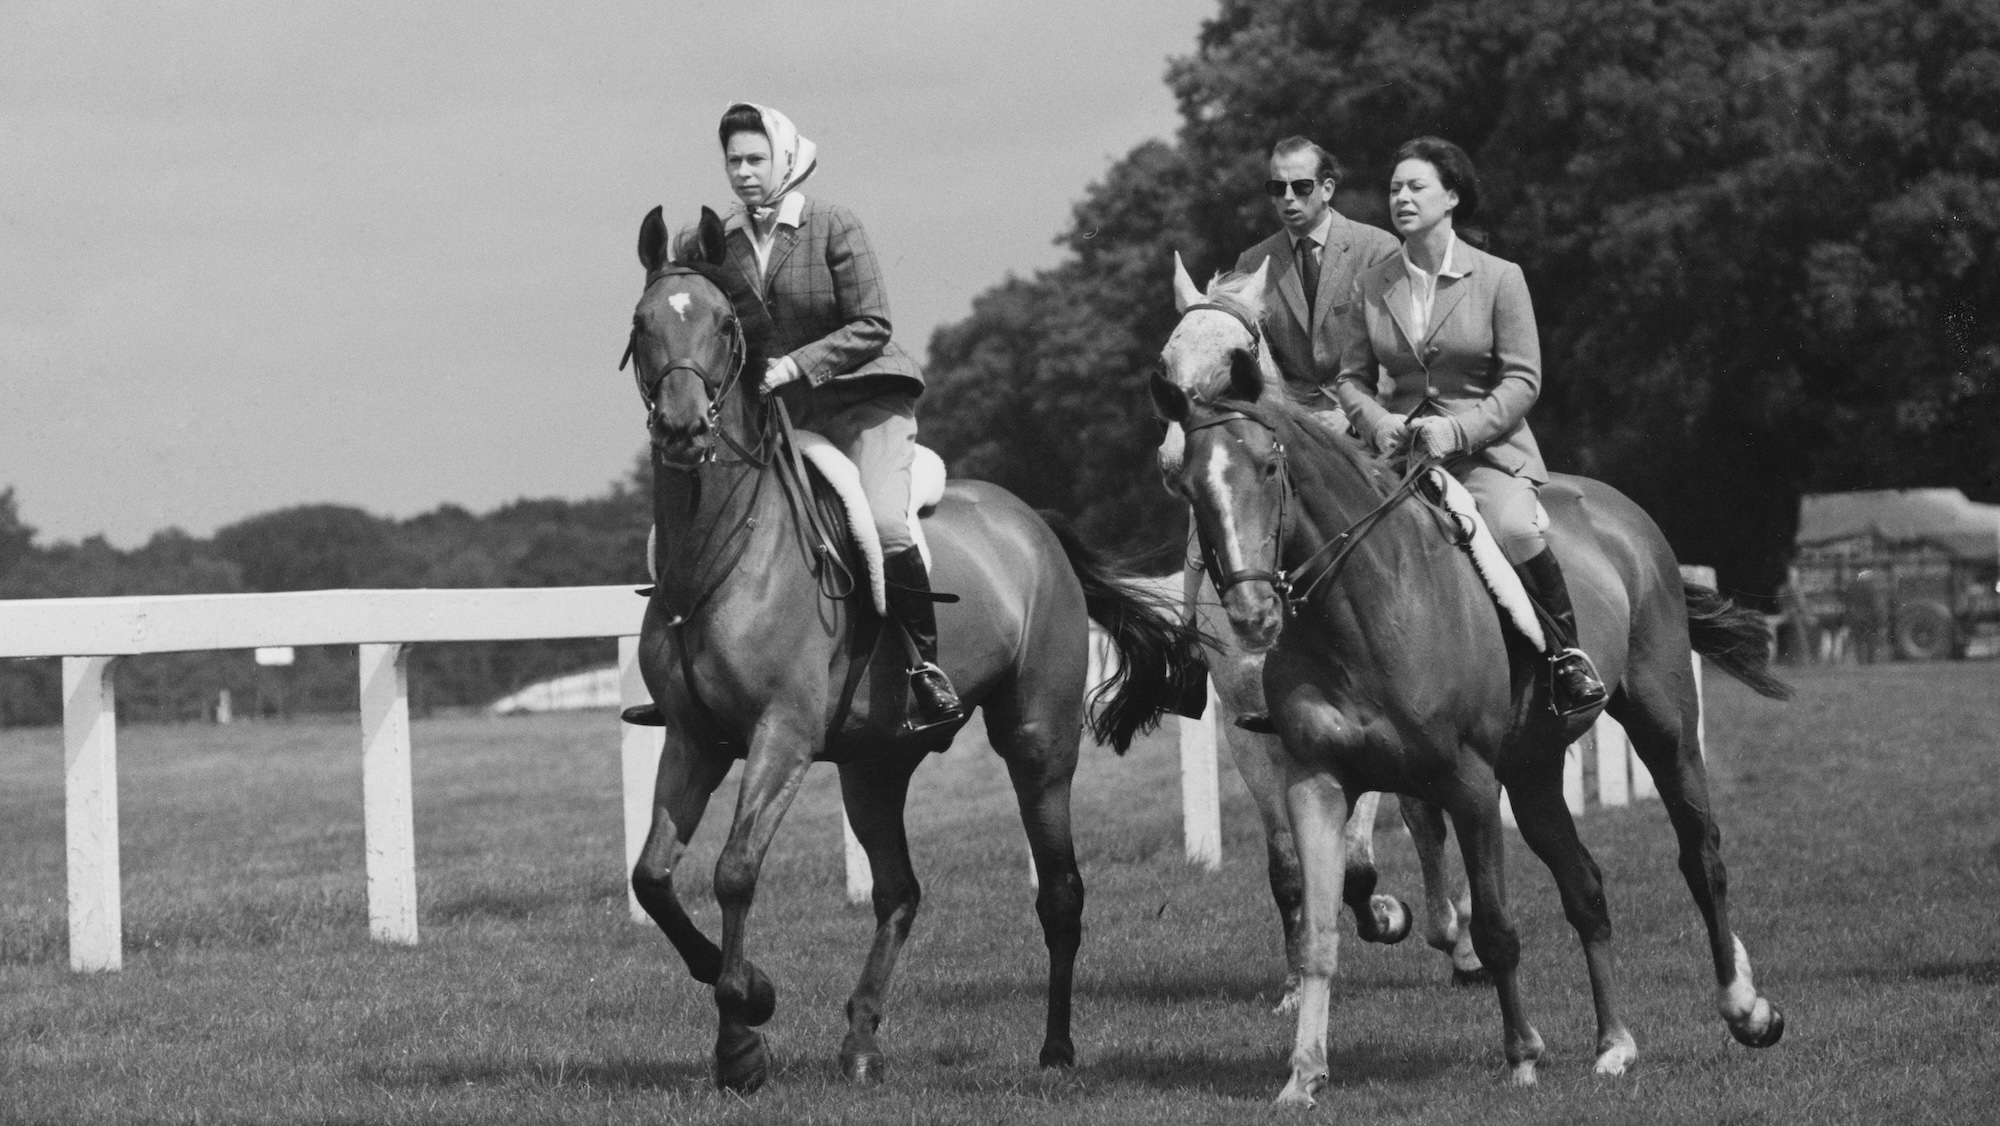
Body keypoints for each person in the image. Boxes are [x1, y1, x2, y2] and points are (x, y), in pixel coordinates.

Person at [625, 102, 962, 732]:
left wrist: (798, 365)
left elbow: (873, 324)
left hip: (865, 402)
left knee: (885, 524)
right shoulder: (716, 239)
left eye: (756, 159)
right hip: (785, 414)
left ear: (784, 158)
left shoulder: (833, 223)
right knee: (681, 530)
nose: (745, 173)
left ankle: (925, 667)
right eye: (734, 162)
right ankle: (683, 682)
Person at [1329, 136, 1607, 716]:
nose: (1400, 198)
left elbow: (1524, 381)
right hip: (1399, 452)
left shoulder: (1501, 278)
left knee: (1512, 528)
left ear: (1451, 197)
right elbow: (1351, 379)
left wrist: (1456, 433)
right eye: (1393, 188)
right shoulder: (1372, 284)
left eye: (1415, 187)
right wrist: (1379, 423)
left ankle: (1565, 657)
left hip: (1486, 452)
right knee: (1330, 528)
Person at [1234, 136, 1401, 397]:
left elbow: (1393, 354)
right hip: (1292, 423)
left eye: (1301, 187)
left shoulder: (1378, 249)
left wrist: (1351, 415)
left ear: (1327, 189)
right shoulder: (1252, 265)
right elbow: (1255, 363)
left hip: (1364, 416)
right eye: (1278, 188)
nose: (1288, 198)